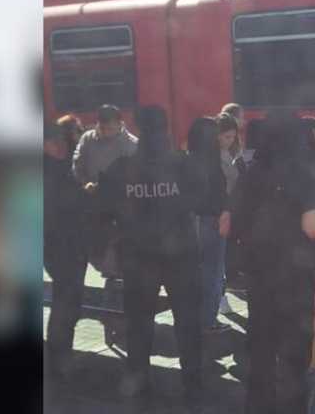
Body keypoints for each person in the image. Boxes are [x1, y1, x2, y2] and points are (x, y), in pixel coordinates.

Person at [97, 106, 207, 411]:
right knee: (188, 324)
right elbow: (204, 200)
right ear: (167, 129)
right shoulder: (182, 165)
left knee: (138, 325)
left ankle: (139, 384)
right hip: (181, 256)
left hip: (137, 257)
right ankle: (194, 388)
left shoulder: (122, 168)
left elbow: (103, 210)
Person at [231, 117, 315, 414]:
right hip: (296, 276)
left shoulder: (250, 173)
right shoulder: (304, 176)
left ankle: (258, 406)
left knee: (260, 348)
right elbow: (314, 227)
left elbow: (236, 224)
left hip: (260, 277)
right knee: (296, 354)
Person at [44, 114, 88, 379]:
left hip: (71, 242)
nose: (60, 146)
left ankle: (61, 355)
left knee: (69, 300)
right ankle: (59, 359)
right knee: (66, 301)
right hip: (58, 243)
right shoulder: (49, 170)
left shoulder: (63, 165)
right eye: (53, 142)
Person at [71, 104, 138, 275]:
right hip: (95, 198)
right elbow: (77, 166)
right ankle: (107, 267)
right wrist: (85, 183)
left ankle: (119, 272)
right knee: (95, 242)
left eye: (110, 128)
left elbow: (137, 176)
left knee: (123, 240)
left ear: (119, 124)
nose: (106, 132)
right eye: (102, 127)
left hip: (123, 201)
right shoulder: (88, 139)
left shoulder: (131, 145)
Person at [188, 117, 233, 334]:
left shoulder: (189, 158)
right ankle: (208, 321)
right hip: (211, 220)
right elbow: (218, 193)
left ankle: (193, 319)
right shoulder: (213, 160)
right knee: (213, 271)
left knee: (195, 272)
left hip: (191, 221)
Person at [216, 113, 242, 315]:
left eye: (232, 137)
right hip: (219, 213)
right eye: (226, 137)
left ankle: (220, 296)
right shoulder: (217, 156)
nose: (229, 141)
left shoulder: (229, 154)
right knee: (217, 260)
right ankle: (219, 298)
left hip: (226, 211)